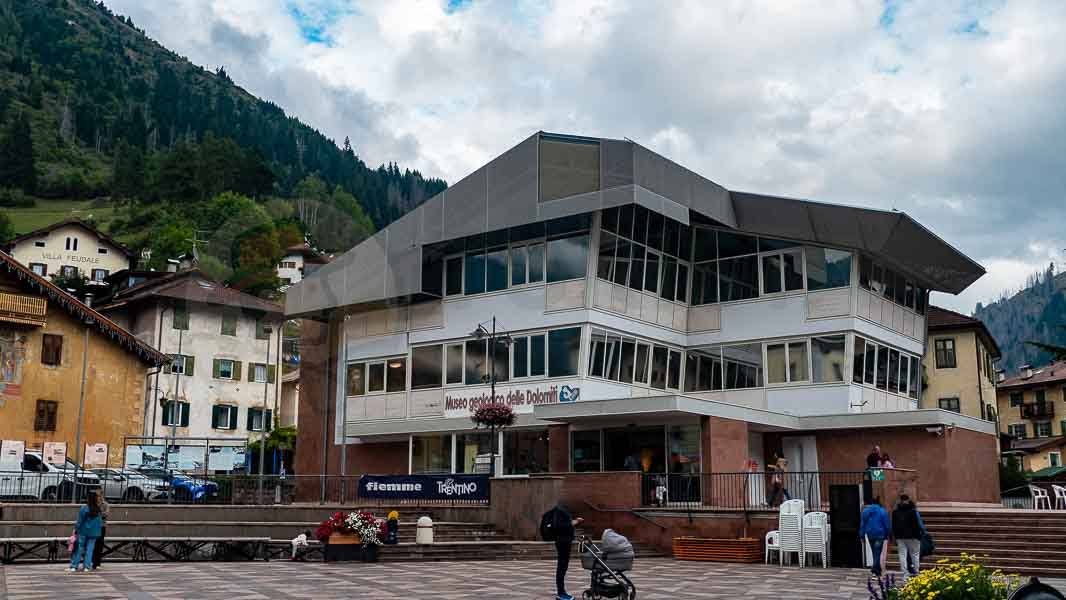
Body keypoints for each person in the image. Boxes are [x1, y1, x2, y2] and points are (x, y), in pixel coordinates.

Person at [550, 503, 583, 600]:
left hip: (565, 541)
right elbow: (559, 526)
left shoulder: (563, 510)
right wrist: (575, 522)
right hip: (562, 542)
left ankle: (561, 591)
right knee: (562, 567)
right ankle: (561, 593)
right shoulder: (560, 510)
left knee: (563, 567)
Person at [891, 494, 926, 580]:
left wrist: (895, 536)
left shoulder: (895, 512)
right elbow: (919, 524)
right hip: (913, 536)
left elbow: (894, 525)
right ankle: (916, 572)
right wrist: (922, 532)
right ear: (908, 500)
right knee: (915, 554)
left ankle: (905, 574)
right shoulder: (913, 511)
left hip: (900, 536)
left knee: (902, 555)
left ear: (900, 500)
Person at [70, 490, 103, 572]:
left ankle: (74, 566)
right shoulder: (98, 509)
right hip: (94, 532)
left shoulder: (84, 508)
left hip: (83, 531)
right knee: (90, 549)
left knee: (79, 548)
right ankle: (87, 567)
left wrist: (76, 529)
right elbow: (100, 522)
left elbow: (80, 521)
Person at [859, 497, 891, 576]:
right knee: (877, 552)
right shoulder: (882, 511)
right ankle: (875, 570)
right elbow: (886, 524)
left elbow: (862, 524)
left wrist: (862, 535)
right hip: (880, 534)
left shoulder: (865, 511)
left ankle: (877, 569)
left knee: (874, 552)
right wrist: (888, 534)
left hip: (870, 534)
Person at [91, 490, 109, 570]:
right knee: (92, 544)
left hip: (101, 526)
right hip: (93, 526)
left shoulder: (105, 504)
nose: (98, 497)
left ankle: (97, 562)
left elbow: (106, 514)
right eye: (97, 496)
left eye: (99, 495)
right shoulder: (92, 503)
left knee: (100, 544)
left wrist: (98, 513)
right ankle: (92, 561)